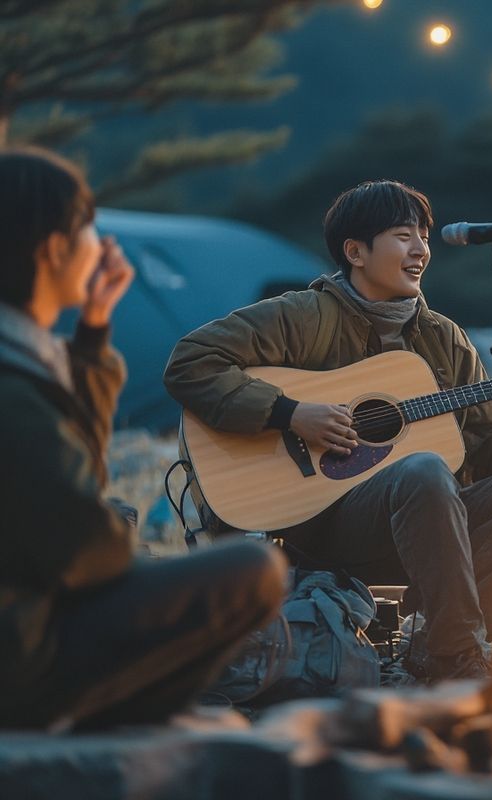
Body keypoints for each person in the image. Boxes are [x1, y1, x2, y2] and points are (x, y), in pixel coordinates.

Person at [164, 179, 492, 681]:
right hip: (315, 526)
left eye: (424, 236)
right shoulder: (305, 315)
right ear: (355, 252)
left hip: (424, 527)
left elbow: (473, 461)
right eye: (404, 235)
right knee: (423, 469)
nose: (421, 249)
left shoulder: (444, 339)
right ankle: (458, 658)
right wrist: (291, 413)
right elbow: (190, 362)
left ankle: (444, 643)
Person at [0, 147, 286, 730]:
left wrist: (94, 328)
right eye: (89, 230)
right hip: (21, 659)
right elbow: (85, 547)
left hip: (24, 629)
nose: (102, 249)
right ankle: (107, 723)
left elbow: (79, 473)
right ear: (53, 249)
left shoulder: (24, 360)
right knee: (254, 571)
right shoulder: (13, 385)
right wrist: (130, 554)